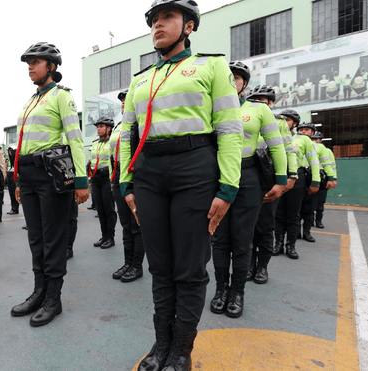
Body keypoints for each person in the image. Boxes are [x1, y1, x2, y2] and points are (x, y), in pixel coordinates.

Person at [120, 2, 242, 369]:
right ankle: (161, 345)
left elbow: (229, 129)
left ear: (189, 26)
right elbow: (127, 133)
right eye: (154, 21)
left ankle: (181, 351)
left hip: (195, 168)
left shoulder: (212, 65)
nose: (158, 26)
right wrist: (127, 181)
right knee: (160, 266)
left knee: (189, 268)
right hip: (149, 173)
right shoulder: (140, 79)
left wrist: (227, 189)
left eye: (167, 18)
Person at [11, 42, 89, 327]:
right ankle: (38, 292)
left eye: (36, 62)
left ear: (52, 66)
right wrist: (18, 178)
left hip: (50, 175)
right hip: (29, 175)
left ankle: (53, 299)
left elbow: (75, 137)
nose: (30, 67)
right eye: (28, 63)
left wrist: (81, 180)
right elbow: (21, 143)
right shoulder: (31, 101)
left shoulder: (61, 97)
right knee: (36, 237)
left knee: (53, 237)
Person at [209, 74, 287, 319]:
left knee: (242, 240)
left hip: (248, 176)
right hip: (218, 177)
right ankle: (221, 289)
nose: (232, 81)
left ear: (245, 84)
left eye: (238, 78)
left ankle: (237, 292)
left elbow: (276, 144)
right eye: (228, 77)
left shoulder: (258, 109)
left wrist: (282, 179)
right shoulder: (210, 107)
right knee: (219, 238)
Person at [248, 109, 299, 285]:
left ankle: (262, 266)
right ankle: (249, 265)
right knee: (248, 226)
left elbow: (289, 150)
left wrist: (292, 174)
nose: (261, 103)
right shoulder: (245, 115)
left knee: (265, 224)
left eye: (266, 100)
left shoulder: (279, 122)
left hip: (269, 177)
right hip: (248, 177)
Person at [110, 88, 145, 283]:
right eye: (122, 101)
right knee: (125, 224)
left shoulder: (139, 123)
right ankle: (127, 262)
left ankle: (137, 265)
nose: (124, 103)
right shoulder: (118, 126)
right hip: (119, 177)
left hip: (135, 175)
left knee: (136, 223)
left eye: (127, 100)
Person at [274, 119, 320, 259]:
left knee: (294, 214)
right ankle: (278, 244)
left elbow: (313, 161)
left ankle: (291, 246)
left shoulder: (303, 139)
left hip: (297, 177)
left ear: (294, 123)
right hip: (278, 175)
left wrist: (315, 181)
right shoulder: (275, 135)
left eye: (288, 120)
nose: (283, 122)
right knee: (278, 213)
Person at [299, 126, 336, 241]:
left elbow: (328, 164)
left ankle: (307, 232)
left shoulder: (320, 148)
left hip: (314, 178)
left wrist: (332, 178)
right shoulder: (295, 143)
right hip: (299, 178)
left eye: (307, 130)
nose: (303, 132)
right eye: (301, 130)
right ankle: (295, 233)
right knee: (296, 209)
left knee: (312, 207)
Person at [89, 115, 117, 249]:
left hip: (107, 179)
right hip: (95, 179)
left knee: (109, 209)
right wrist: (90, 179)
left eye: (101, 127)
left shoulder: (112, 143)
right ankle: (104, 236)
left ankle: (110, 237)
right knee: (100, 209)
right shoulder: (95, 143)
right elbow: (91, 163)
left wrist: (113, 180)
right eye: (98, 127)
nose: (98, 130)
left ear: (109, 128)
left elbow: (114, 162)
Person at [311, 131, 337, 228]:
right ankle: (310, 221)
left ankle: (318, 221)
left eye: (316, 139)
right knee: (310, 201)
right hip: (311, 176)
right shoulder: (309, 149)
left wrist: (333, 179)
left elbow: (332, 165)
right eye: (312, 139)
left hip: (323, 177)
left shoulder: (327, 151)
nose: (314, 141)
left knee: (320, 202)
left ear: (321, 140)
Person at [6, 147, 20, 215]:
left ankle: (15, 209)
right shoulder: (9, 160)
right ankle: (13, 208)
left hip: (13, 176)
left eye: (11, 151)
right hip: (9, 176)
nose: (9, 153)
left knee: (14, 193)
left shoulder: (16, 159)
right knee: (11, 193)